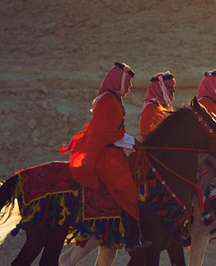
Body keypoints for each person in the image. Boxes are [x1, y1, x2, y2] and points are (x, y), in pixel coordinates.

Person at [60, 62, 151, 250]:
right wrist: (132, 142)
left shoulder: (114, 99)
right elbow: (107, 132)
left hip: (115, 152)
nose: (130, 87)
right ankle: (132, 241)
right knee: (128, 189)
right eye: (129, 82)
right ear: (119, 80)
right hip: (106, 155)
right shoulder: (108, 100)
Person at [138, 71, 176, 139]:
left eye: (173, 87)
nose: (173, 91)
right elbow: (152, 137)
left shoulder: (166, 107)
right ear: (160, 89)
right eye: (170, 88)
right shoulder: (151, 108)